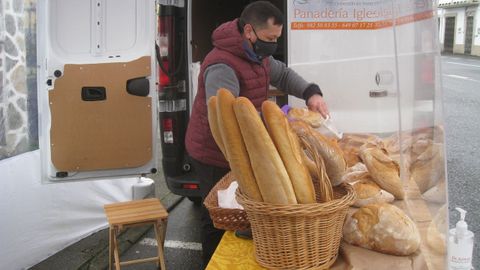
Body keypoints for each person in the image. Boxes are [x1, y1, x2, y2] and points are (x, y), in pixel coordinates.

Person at [184, 1, 329, 267]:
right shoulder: (221, 65)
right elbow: (226, 118)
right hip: (214, 152)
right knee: (217, 216)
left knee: (245, 207)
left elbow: (283, 74)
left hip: (239, 147)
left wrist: (311, 93)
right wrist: (275, 122)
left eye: (277, 39)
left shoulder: (257, 55)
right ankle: (213, 264)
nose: (273, 44)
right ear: (249, 31)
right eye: (270, 38)